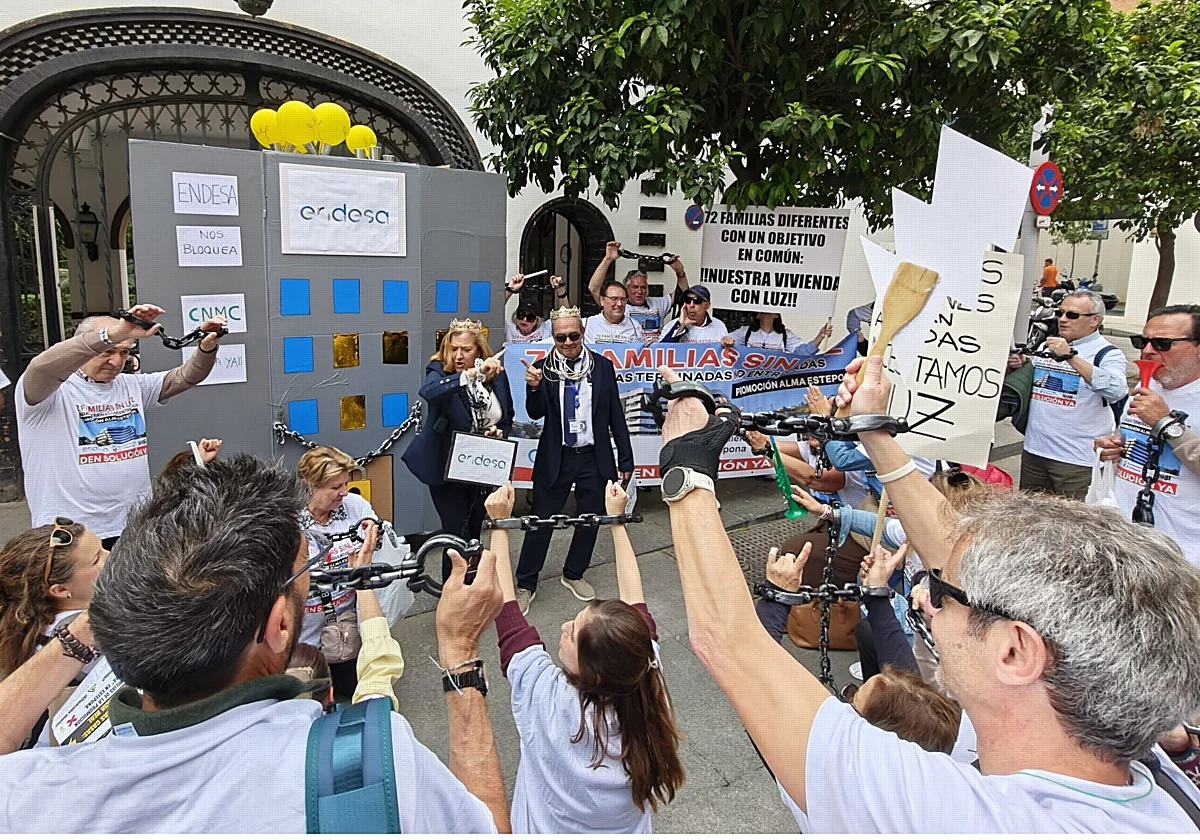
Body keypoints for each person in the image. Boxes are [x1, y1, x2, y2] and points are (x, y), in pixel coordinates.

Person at [652, 356, 1200, 831]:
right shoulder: (1144, 763)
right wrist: (875, 432)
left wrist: (685, 465)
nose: (927, 596)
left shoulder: (950, 815)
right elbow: (954, 551)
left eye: (944, 592)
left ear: (1016, 651)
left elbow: (730, 642)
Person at [0, 454, 511, 833]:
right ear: (278, 626)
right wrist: (459, 651)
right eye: (303, 574)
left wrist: (83, 630)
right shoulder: (375, 763)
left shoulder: (28, 796)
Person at [486, 481, 684, 832]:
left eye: (572, 634)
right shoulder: (645, 679)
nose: (563, 626)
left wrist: (498, 524)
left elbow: (508, 615)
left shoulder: (547, 697)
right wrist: (617, 522)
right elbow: (635, 601)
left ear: (593, 672)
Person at [15, 303, 227, 547]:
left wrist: (207, 347)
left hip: (133, 527)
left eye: (124, 353)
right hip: (70, 533)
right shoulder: (47, 391)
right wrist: (113, 334)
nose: (116, 362)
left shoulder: (132, 385)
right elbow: (41, 367)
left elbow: (186, 376)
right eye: (107, 351)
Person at [517, 305, 634, 614]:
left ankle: (573, 573)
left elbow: (615, 415)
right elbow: (535, 413)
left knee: (589, 519)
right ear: (553, 338)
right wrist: (533, 387)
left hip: (593, 457)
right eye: (561, 338)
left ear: (583, 333)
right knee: (540, 521)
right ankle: (526, 583)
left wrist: (626, 459)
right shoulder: (543, 368)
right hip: (557, 456)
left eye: (573, 336)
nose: (568, 342)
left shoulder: (602, 367)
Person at [1096, 304, 1200, 568]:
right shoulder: (1149, 385)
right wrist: (1114, 447)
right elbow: (1127, 434)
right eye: (1142, 341)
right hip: (1126, 543)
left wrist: (1165, 423)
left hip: (1183, 557)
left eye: (1162, 343)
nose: (1147, 351)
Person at [403, 318, 514, 557]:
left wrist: (499, 432)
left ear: (479, 351)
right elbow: (429, 392)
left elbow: (507, 416)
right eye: (454, 349)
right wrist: (469, 375)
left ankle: (473, 578)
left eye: (466, 349)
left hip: (482, 466)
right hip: (447, 468)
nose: (459, 355)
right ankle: (452, 581)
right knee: (456, 537)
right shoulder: (438, 371)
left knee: (474, 535)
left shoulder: (497, 375)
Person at [0, 519, 108, 747]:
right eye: (96, 559)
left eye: (102, 548)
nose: (110, 556)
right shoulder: (89, 633)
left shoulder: (31, 627)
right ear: (60, 590)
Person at [296, 446, 390, 699]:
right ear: (309, 486)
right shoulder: (288, 518)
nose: (344, 492)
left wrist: (375, 532)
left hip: (345, 626)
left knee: (349, 690)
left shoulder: (354, 506)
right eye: (335, 487)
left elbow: (379, 537)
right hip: (303, 633)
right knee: (307, 699)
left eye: (345, 484)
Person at [1020, 290, 1129, 500]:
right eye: (1060, 313)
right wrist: (1022, 365)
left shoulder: (1107, 353)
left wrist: (1070, 357)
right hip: (1035, 452)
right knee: (1029, 517)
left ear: (1094, 320)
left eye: (1072, 315)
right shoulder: (1046, 346)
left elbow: (1117, 390)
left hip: (1077, 460)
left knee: (1073, 519)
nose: (1063, 319)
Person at [588, 241, 690, 341]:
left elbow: (683, 294)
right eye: (635, 287)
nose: (640, 291)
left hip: (654, 349)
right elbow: (594, 288)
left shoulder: (658, 303)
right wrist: (608, 259)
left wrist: (680, 272)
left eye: (643, 287)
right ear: (626, 288)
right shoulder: (619, 305)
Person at [721, 312, 831, 354]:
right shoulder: (746, 332)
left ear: (776, 315)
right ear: (758, 315)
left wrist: (820, 336)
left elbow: (803, 352)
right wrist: (726, 340)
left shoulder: (785, 334)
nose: (767, 313)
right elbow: (723, 341)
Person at [505, 273, 566, 344]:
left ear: (537, 320)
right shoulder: (509, 329)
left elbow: (565, 318)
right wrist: (510, 290)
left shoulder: (546, 329)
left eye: (530, 317)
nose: (524, 319)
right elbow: (495, 312)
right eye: (521, 315)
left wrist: (561, 290)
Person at [657, 285, 726, 343]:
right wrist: (680, 326)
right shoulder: (672, 325)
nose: (691, 305)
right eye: (688, 300)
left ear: (707, 305)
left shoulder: (719, 326)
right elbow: (661, 350)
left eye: (697, 301)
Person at [584, 278, 644, 343]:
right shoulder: (587, 324)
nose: (619, 304)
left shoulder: (635, 326)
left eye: (623, 299)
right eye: (614, 299)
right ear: (602, 300)